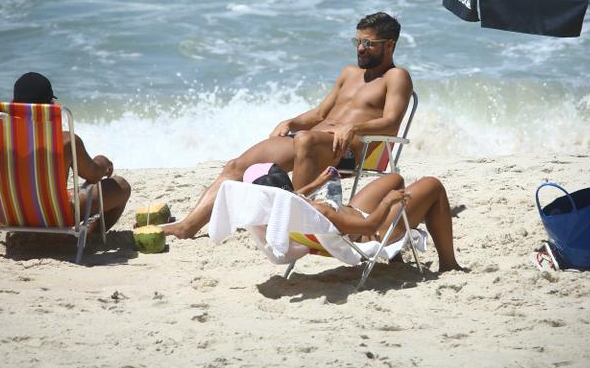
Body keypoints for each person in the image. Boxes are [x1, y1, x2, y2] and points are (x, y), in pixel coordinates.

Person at [163, 12, 413, 239]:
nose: (360, 48)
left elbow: (391, 123)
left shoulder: (396, 76)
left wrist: (354, 128)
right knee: (236, 166)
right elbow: (320, 113)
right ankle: (188, 226)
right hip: (310, 138)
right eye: (357, 41)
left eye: (368, 43)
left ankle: (295, 223)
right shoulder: (349, 73)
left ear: (389, 45)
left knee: (305, 139)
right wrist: (290, 122)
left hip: (349, 151)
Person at [0, 72, 131, 232]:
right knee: (121, 186)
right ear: (51, 105)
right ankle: (91, 235)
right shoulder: (66, 141)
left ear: (13, 104)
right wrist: (103, 162)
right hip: (55, 217)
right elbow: (93, 175)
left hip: (4, 215)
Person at [247, 163, 463, 273]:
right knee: (432, 185)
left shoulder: (275, 214)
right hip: (373, 233)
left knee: (394, 178)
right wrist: (388, 202)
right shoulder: (320, 212)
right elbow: (371, 224)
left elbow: (294, 196)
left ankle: (396, 259)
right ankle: (449, 264)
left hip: (353, 216)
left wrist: (318, 183)